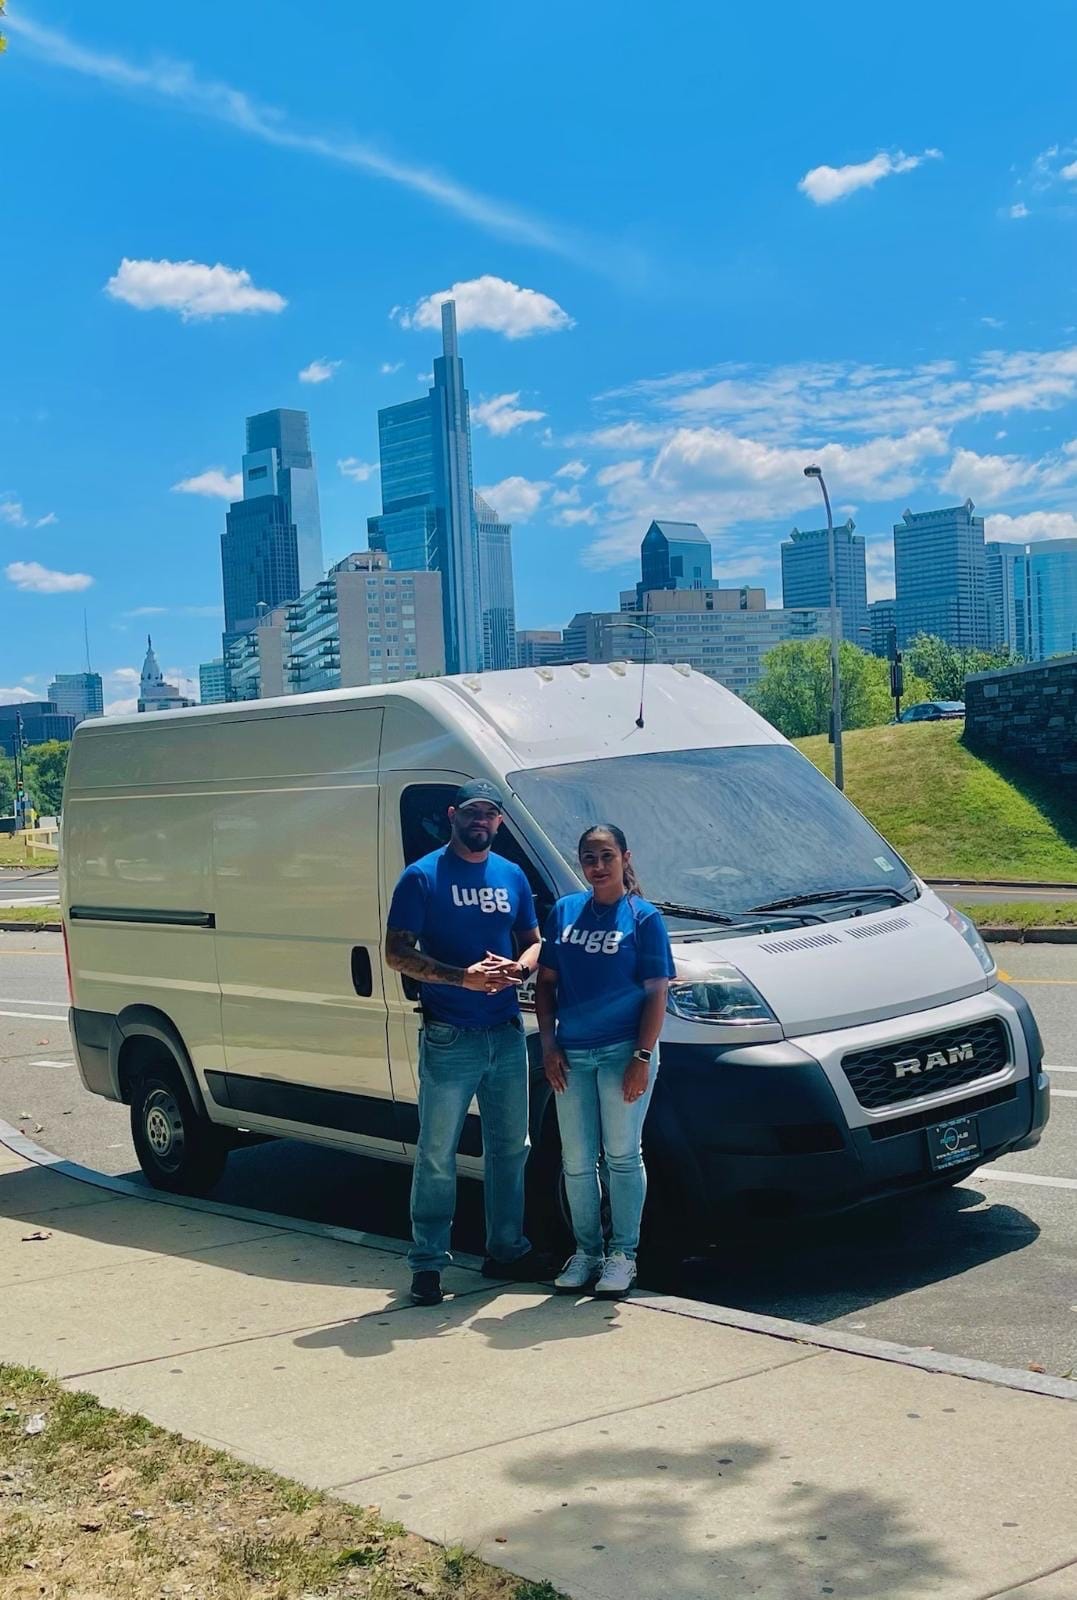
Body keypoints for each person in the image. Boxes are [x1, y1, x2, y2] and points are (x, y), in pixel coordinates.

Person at [385, 779, 553, 1307]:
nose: (482, 822)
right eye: (473, 813)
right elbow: (395, 952)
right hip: (449, 1035)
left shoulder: (511, 875)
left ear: (499, 822)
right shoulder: (421, 877)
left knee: (510, 1149)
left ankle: (506, 1247)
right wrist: (464, 978)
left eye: (491, 815)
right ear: (454, 816)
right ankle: (428, 1263)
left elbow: (533, 942)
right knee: (436, 1153)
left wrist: (520, 968)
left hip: (505, 1034)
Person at [535, 824, 675, 1299]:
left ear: (625, 858)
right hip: (571, 1055)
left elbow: (657, 993)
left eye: (606, 856)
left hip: (623, 1052)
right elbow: (546, 984)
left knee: (621, 1155)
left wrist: (641, 1056)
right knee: (576, 1160)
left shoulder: (643, 918)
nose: (597, 867)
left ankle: (623, 1256)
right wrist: (549, 1045)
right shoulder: (565, 912)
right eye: (589, 858)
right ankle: (587, 1252)